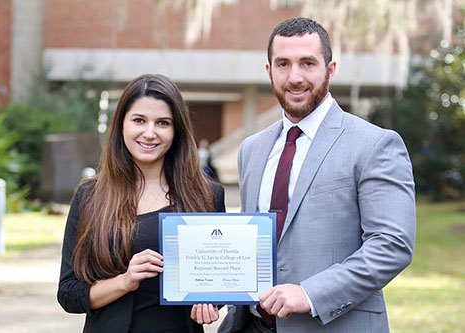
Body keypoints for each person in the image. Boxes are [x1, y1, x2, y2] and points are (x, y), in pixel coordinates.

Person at [218, 17, 416, 332]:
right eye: (283, 64)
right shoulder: (251, 149)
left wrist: (310, 293)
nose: (295, 77)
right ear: (269, 71)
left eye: (307, 63)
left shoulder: (375, 144)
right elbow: (252, 242)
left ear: (331, 69)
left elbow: (391, 244)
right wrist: (213, 288)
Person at [58, 74, 224, 332]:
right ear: (121, 125)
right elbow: (69, 293)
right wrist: (125, 281)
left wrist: (212, 303)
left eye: (163, 123)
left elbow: (219, 282)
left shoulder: (207, 196)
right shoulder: (89, 196)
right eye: (139, 120)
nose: (150, 133)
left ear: (176, 130)